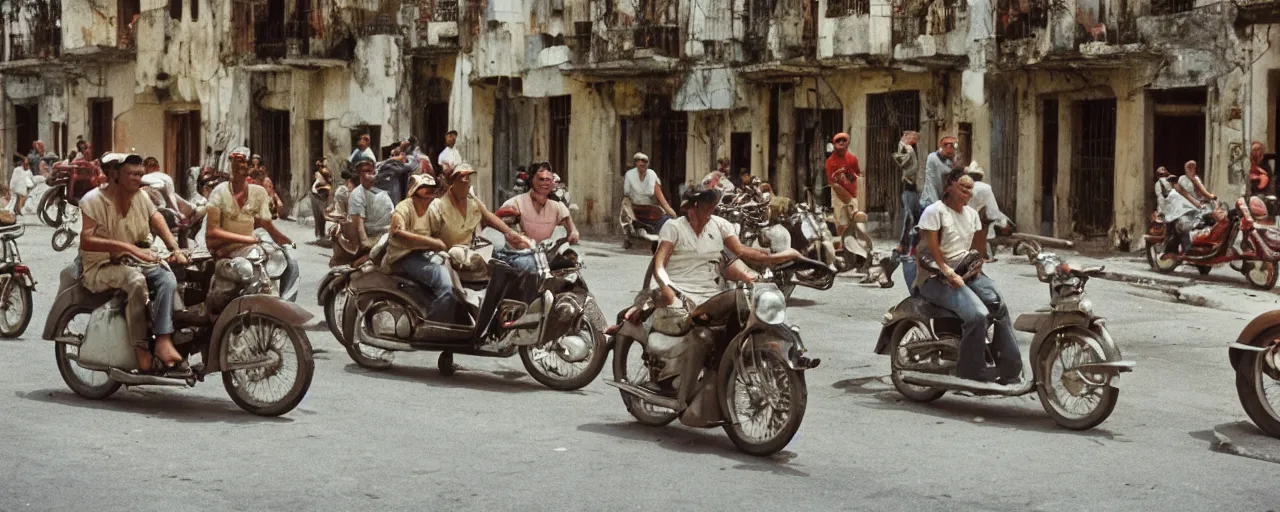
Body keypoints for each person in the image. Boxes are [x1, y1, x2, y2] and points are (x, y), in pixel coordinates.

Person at [644, 181, 802, 396]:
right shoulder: (673, 228)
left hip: (709, 294)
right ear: (691, 207)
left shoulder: (719, 225)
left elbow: (742, 252)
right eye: (705, 205)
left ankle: (718, 370)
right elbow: (659, 264)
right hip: (679, 291)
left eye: (712, 205)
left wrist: (777, 258)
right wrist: (668, 288)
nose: (710, 211)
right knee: (704, 330)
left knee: (742, 312)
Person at [77, 153, 190, 375]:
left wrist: (175, 248)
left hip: (134, 259)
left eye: (140, 174)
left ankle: (163, 340)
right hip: (101, 266)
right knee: (136, 281)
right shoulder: (93, 200)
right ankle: (140, 349)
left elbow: (157, 219)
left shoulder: (141, 197)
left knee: (167, 278)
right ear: (116, 174)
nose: (137, 178)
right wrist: (127, 247)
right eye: (131, 174)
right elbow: (86, 239)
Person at [916, 169, 1021, 384]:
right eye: (963, 187)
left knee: (998, 305)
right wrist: (948, 273)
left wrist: (977, 269)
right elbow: (929, 252)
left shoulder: (972, 215)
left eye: (970, 189)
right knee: (977, 315)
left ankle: (1009, 366)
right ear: (949, 186)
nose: (967, 192)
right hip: (935, 277)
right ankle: (971, 370)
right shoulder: (934, 211)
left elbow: (976, 251)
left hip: (965, 274)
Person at [419, 163, 531, 320]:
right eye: (461, 177)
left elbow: (489, 216)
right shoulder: (438, 206)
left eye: (468, 178)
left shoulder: (471, 201)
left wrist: (512, 234)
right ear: (452, 182)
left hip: (473, 254)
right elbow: (427, 235)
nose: (466, 181)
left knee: (517, 265)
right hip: (451, 259)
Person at [204, 147, 298, 297]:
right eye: (235, 163)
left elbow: (266, 226)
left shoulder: (258, 192)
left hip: (249, 250)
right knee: (248, 267)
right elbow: (212, 231)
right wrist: (247, 239)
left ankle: (279, 303)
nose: (239, 167)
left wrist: (285, 241)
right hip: (226, 251)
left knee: (284, 260)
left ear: (251, 168)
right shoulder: (219, 191)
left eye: (243, 163)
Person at [382, 174, 450, 320]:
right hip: (403, 257)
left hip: (424, 255)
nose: (429, 191)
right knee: (445, 284)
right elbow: (398, 232)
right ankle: (435, 323)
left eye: (431, 188)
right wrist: (432, 242)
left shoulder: (432, 210)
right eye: (424, 187)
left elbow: (442, 231)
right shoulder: (404, 208)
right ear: (414, 190)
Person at [496, 166, 580, 272]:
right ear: (531, 180)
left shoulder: (557, 206)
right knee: (528, 265)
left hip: (544, 255)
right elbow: (498, 225)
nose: (545, 183)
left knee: (571, 264)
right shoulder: (515, 203)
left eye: (548, 180)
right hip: (518, 256)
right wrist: (513, 235)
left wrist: (573, 232)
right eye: (541, 179)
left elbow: (570, 225)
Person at [344, 156, 394, 262]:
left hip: (388, 234)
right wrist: (366, 244)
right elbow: (359, 226)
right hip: (374, 239)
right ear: (359, 174)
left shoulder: (380, 190)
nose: (369, 173)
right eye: (364, 171)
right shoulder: (357, 194)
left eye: (371, 170)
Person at [965, 162, 1010, 261]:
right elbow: (992, 210)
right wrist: (1002, 223)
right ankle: (986, 255)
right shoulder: (985, 188)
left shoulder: (964, 186)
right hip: (981, 224)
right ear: (980, 176)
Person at [623, 152, 678, 230]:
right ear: (636, 163)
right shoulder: (629, 174)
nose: (643, 164)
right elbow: (627, 196)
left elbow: (661, 199)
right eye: (640, 161)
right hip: (634, 210)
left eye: (645, 161)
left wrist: (673, 214)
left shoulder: (652, 174)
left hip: (649, 211)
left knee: (667, 219)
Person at [1154, 166, 1197, 254]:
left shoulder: (1172, 180)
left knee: (1183, 227)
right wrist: (1161, 210)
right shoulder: (1159, 184)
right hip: (1170, 209)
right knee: (1175, 229)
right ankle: (1171, 251)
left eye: (1164, 169)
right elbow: (1160, 198)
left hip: (1177, 206)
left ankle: (1184, 249)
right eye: (1161, 170)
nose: (1163, 171)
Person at [825, 132, 861, 229]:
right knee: (841, 224)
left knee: (854, 222)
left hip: (851, 192)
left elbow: (857, 174)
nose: (841, 143)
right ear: (834, 144)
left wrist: (850, 175)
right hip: (837, 195)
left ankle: (853, 242)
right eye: (838, 141)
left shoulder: (852, 159)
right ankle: (842, 242)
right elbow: (832, 182)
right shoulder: (830, 162)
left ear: (847, 143)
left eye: (844, 140)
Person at [893, 130, 922, 252]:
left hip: (915, 188)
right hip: (907, 187)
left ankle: (913, 245)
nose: (915, 138)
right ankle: (903, 245)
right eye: (913, 136)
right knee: (909, 217)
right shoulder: (906, 149)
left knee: (916, 217)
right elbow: (901, 161)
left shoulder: (912, 149)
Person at [919, 136, 957, 208]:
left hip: (938, 202)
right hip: (930, 202)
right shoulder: (933, 158)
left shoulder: (947, 161)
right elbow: (946, 170)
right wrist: (952, 160)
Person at [311, 160, 332, 244]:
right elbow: (321, 182)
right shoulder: (318, 174)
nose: (325, 168)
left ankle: (321, 234)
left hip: (323, 196)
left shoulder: (327, 174)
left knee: (322, 215)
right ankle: (319, 234)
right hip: (317, 195)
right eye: (324, 166)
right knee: (318, 215)